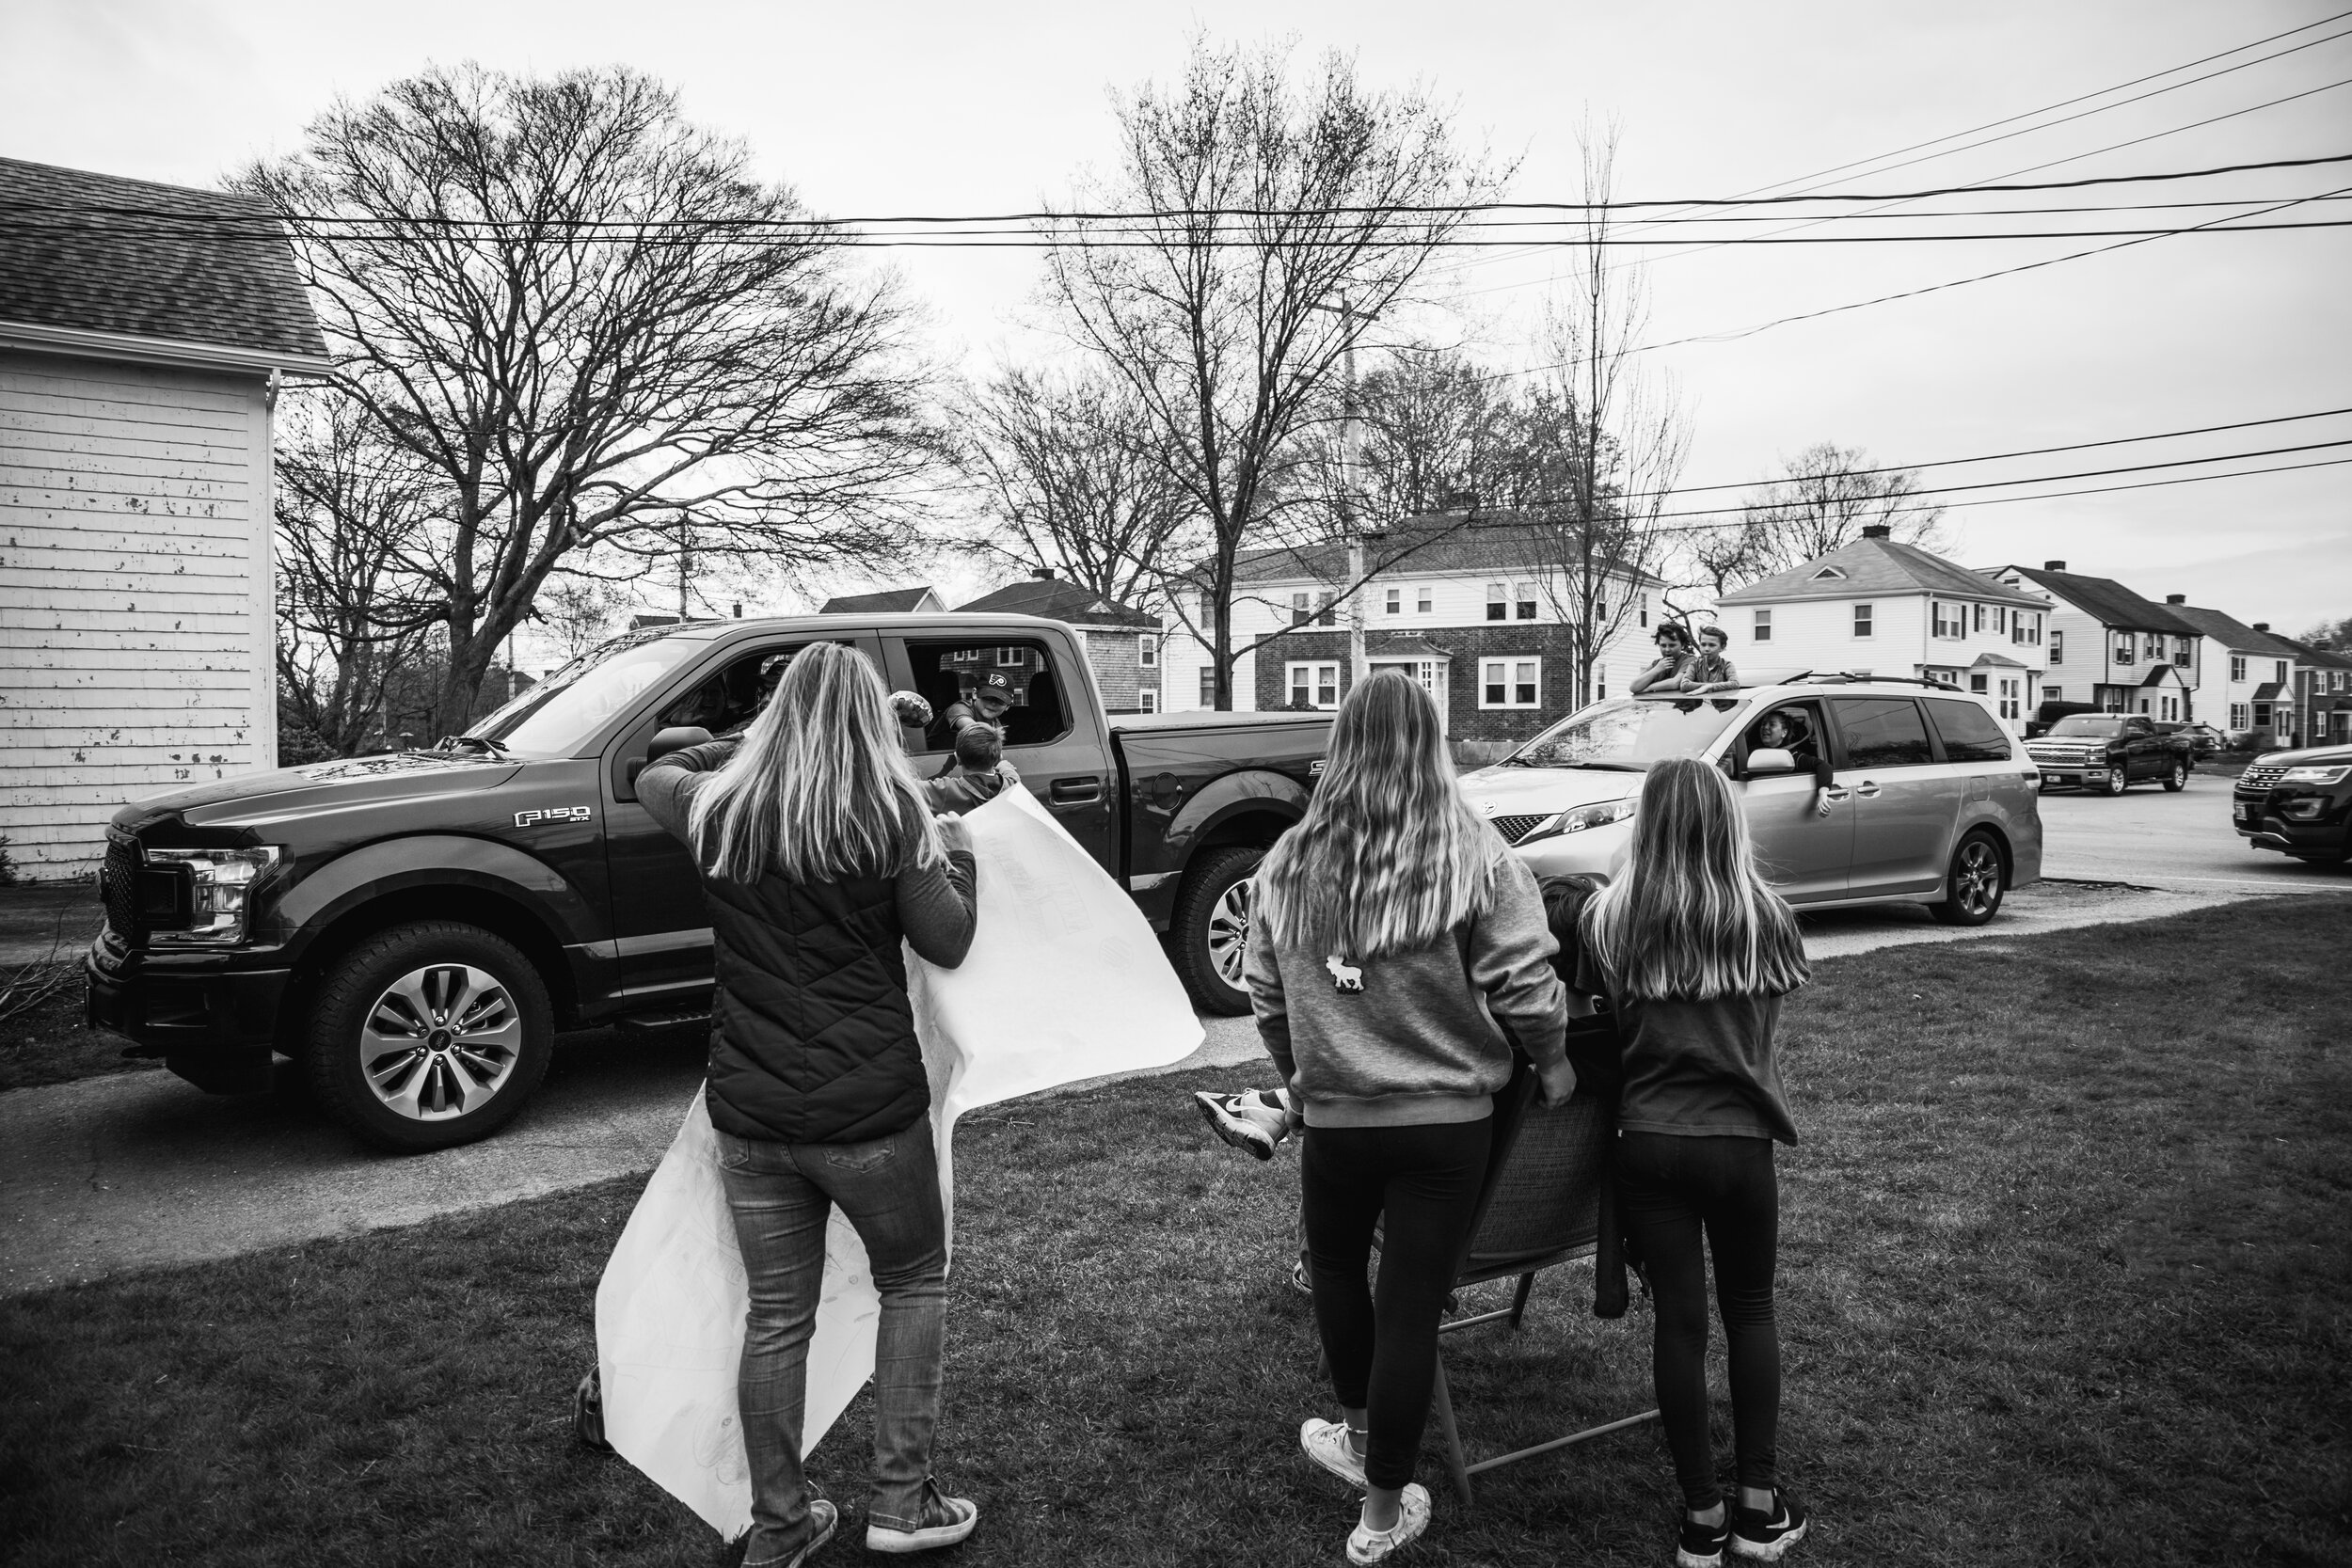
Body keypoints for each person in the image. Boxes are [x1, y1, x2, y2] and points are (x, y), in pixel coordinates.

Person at [636, 641, 983, 1568]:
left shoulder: (717, 808)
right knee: (913, 1281)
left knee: (778, 1319)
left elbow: (654, 767)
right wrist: (961, 850)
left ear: (777, 715)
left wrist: (739, 742)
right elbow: (946, 939)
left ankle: (780, 1529)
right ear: (873, 720)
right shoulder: (891, 813)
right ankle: (902, 1505)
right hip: (871, 1112)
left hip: (751, 1117)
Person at [1247, 669, 1576, 1565]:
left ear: (1343, 746)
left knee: (1341, 1274)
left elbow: (1267, 995)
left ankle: (1360, 1449)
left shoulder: (1290, 859)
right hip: (1446, 1123)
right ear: (1431, 745)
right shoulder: (1476, 854)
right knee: (1409, 1307)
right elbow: (1527, 983)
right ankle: (1382, 1513)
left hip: (1341, 1119)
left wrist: (1302, 1077)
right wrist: (1553, 1061)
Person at [1573, 755, 1813, 1568]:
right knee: (1750, 1310)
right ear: (1727, 822)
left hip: (1651, 1144)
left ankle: (1702, 1517)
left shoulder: (1611, 920)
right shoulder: (1767, 916)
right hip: (1741, 1145)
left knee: (1679, 1324)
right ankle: (1757, 1503)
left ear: (1646, 824)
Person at [1751, 707, 1835, 818]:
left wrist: (1822, 795)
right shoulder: (1752, 751)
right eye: (1763, 724)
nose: (1765, 727)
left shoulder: (1791, 755)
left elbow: (1823, 766)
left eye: (1772, 724)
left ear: (1784, 732)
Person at [922, 721, 1018, 814]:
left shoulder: (946, 789)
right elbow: (1012, 775)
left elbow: (909, 787)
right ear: (998, 759)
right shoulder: (1011, 785)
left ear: (957, 759)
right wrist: (1003, 766)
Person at [1630, 623, 1697, 695]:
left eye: (1672, 645)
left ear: (1683, 645)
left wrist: (1649, 688)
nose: (1667, 649)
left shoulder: (1690, 660)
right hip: (1660, 705)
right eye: (1663, 645)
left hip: (1684, 704)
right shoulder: (1657, 664)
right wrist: (1656, 670)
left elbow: (1675, 683)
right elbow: (1633, 687)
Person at [1685, 626, 1741, 691]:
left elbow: (1735, 683)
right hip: (1699, 701)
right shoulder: (1694, 665)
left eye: (1712, 645)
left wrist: (1711, 686)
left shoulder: (1727, 665)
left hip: (1720, 701)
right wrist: (1708, 686)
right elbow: (1685, 684)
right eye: (1703, 644)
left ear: (1722, 647)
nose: (1706, 649)